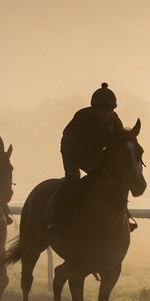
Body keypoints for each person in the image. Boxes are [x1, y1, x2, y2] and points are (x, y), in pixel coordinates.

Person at [48, 83, 125, 231]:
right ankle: (55, 217)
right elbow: (74, 145)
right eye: (103, 110)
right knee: (73, 179)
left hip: (94, 153)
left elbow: (120, 140)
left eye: (110, 110)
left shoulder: (114, 120)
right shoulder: (82, 118)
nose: (107, 114)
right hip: (71, 151)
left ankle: (122, 215)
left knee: (112, 180)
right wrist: (91, 165)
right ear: (95, 109)